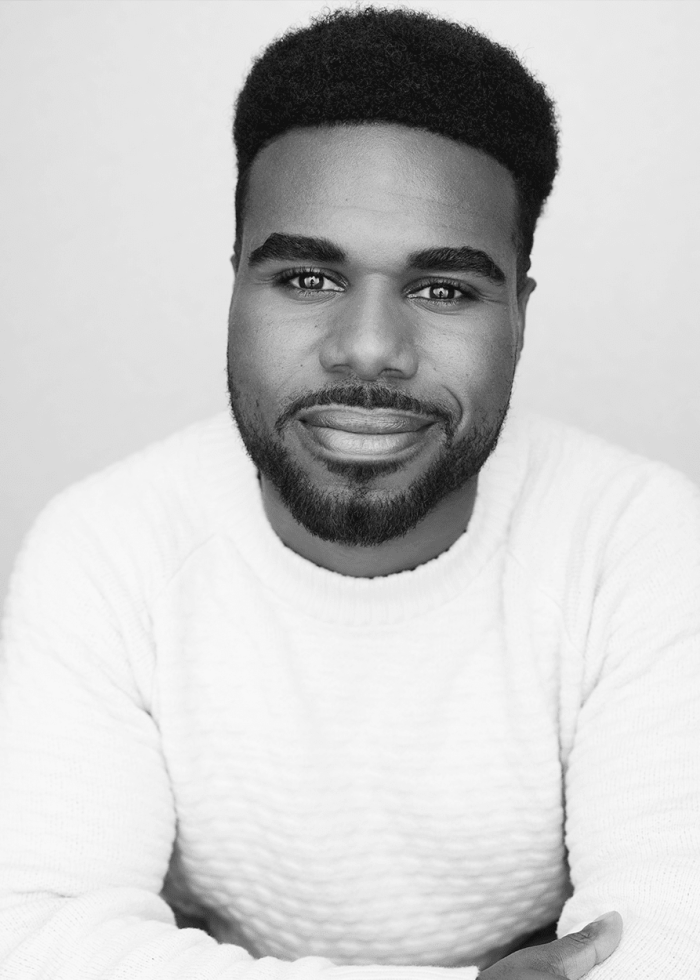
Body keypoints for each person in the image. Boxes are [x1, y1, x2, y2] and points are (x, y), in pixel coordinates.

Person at [0, 6, 698, 978]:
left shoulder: (637, 538)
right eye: (307, 277)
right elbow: (34, 938)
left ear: (520, 313)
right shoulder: (109, 546)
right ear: (235, 282)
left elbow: (671, 943)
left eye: (443, 289)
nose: (369, 347)